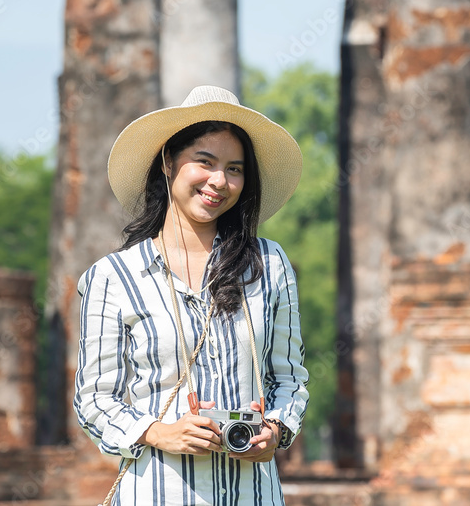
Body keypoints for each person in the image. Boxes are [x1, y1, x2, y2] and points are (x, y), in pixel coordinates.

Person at [74, 85, 310, 505]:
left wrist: (275, 429)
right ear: (168, 161)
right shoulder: (113, 277)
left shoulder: (269, 265)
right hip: (157, 493)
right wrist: (159, 432)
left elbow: (289, 378)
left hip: (253, 494)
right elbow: (93, 398)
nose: (220, 181)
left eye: (235, 169)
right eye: (206, 162)